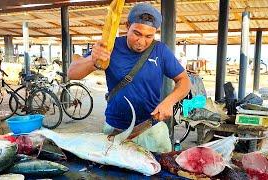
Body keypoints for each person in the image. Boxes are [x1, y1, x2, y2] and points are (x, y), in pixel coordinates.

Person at [68, 3, 191, 152]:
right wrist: (91, 59)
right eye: (137, 33)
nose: (141, 42)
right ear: (127, 26)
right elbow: (72, 74)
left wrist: (169, 102)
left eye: (149, 36)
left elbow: (184, 81)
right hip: (115, 128)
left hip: (151, 129)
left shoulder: (161, 50)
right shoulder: (111, 46)